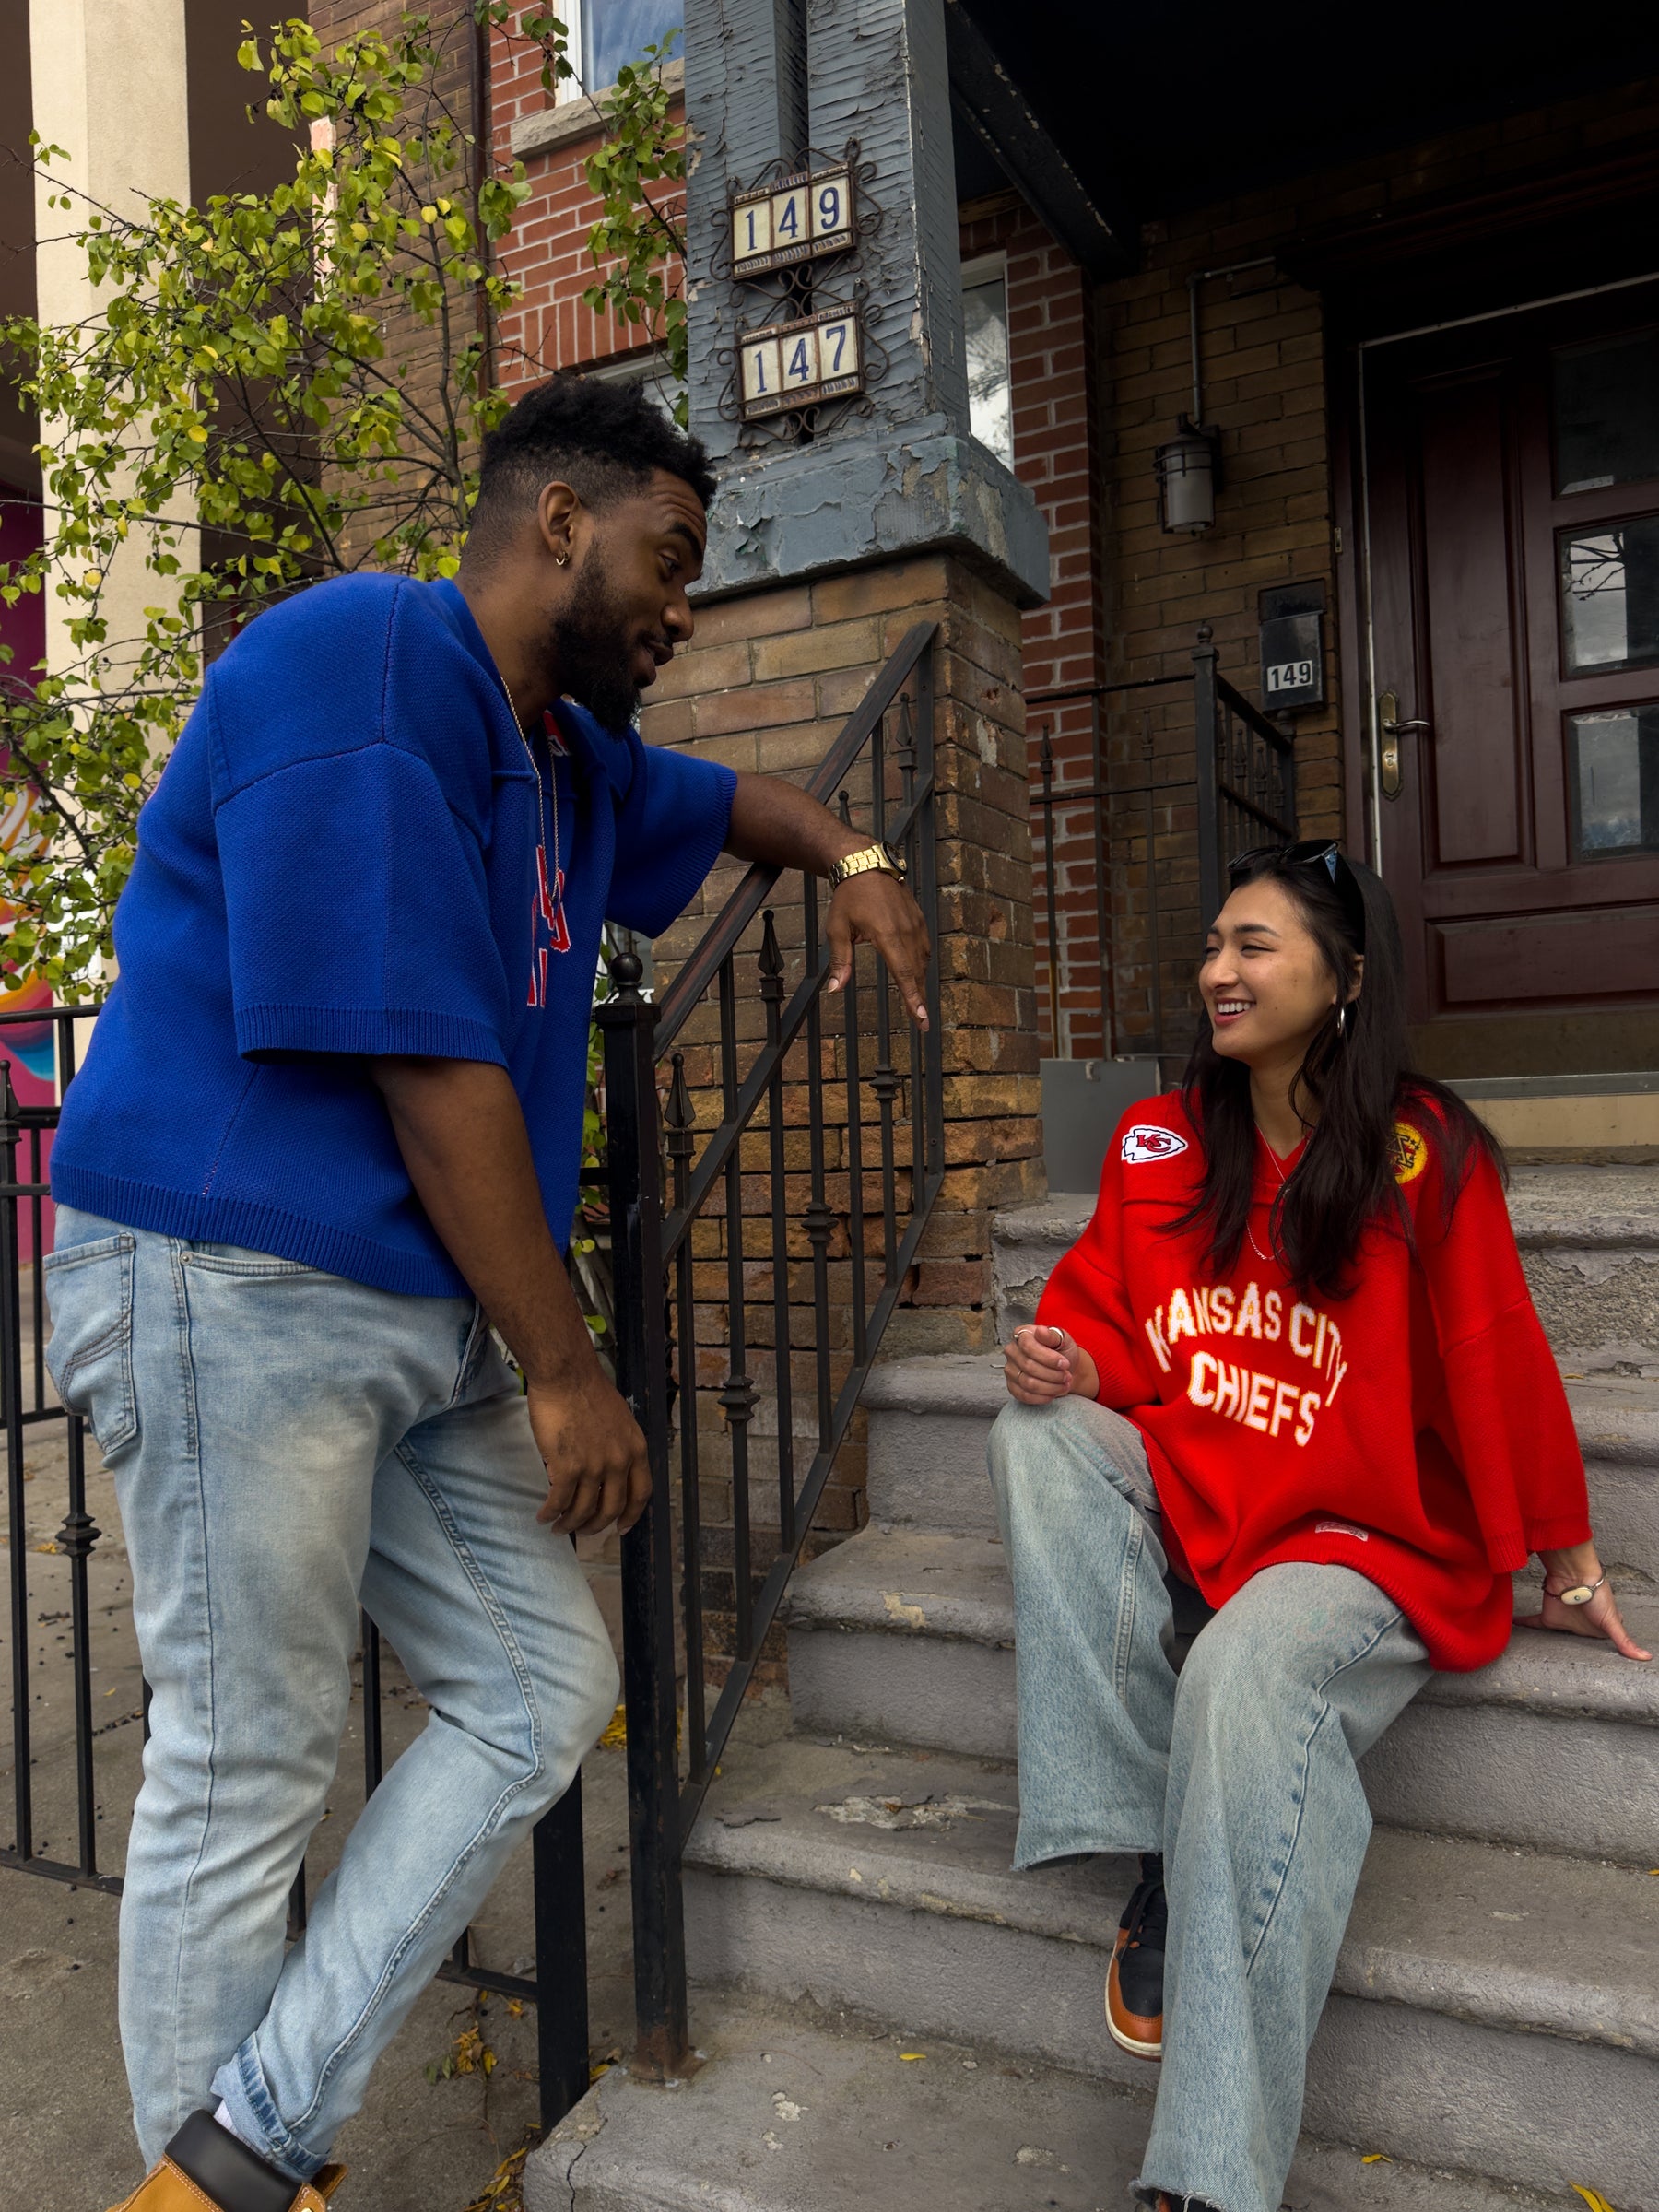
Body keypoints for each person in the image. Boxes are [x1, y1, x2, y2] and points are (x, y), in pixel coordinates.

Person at [45, 373, 932, 2212]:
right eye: (670, 561)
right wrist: (565, 1362)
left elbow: (746, 796)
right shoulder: (366, 659)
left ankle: (241, 2146)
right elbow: (424, 1060)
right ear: (555, 526)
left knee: (540, 1682)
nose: (689, 608)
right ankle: (221, 2183)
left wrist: (850, 856)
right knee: (247, 1764)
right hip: (236, 1274)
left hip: (411, 1314)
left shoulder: (570, 755)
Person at [989, 840, 1647, 2212]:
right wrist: (1067, 1368)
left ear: (1344, 981)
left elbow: (1494, 1354)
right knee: (1034, 1435)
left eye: (1255, 947)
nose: (1218, 971)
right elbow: (1117, 1330)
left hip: (1363, 1539)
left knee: (1239, 1666)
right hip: (1211, 1484)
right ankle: (1159, 1836)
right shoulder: (1162, 1138)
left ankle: (1208, 2180)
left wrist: (1566, 1550)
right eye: (1214, 945)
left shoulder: (1425, 1151)